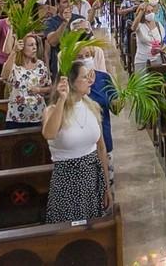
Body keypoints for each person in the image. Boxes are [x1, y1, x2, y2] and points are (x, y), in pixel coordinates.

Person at [42, 62, 111, 223]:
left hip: (92, 177)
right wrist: (62, 99)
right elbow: (49, 133)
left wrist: (106, 186)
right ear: (71, 82)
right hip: (67, 180)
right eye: (84, 77)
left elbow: (101, 148)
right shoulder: (52, 110)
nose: (89, 80)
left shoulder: (92, 106)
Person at [1, 33, 52, 129]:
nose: (34, 48)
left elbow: (50, 87)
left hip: (38, 115)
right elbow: (4, 76)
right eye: (30, 45)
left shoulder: (40, 65)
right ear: (22, 47)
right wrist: (14, 52)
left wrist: (39, 90)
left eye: (35, 45)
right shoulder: (14, 65)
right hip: (16, 117)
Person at [131, 2, 166, 72]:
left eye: (152, 11)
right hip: (142, 61)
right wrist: (141, 11)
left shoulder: (158, 24)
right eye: (148, 12)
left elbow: (164, 40)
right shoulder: (140, 25)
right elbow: (133, 28)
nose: (151, 13)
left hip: (156, 59)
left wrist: (162, 48)